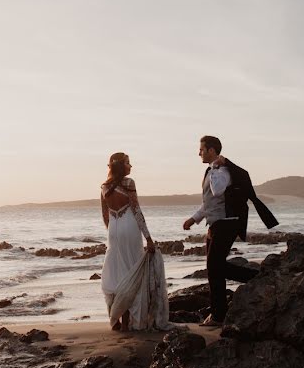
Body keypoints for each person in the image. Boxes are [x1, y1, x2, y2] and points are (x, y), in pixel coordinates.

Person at [183, 135, 262, 326]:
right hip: (215, 223)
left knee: (214, 266)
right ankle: (251, 281)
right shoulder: (210, 171)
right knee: (214, 267)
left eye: (201, 149)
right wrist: (194, 219)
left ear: (211, 150)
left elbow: (218, 190)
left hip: (227, 222)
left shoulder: (223, 170)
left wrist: (217, 167)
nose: (198, 153)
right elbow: (209, 202)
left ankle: (220, 313)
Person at [100, 152, 169, 331]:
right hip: (130, 229)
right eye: (128, 163)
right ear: (121, 166)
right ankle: (126, 322)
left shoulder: (104, 186)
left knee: (115, 272)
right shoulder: (129, 183)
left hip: (113, 232)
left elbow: (105, 216)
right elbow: (136, 211)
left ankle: (116, 319)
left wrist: (113, 232)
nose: (131, 166)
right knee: (132, 273)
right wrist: (148, 238)